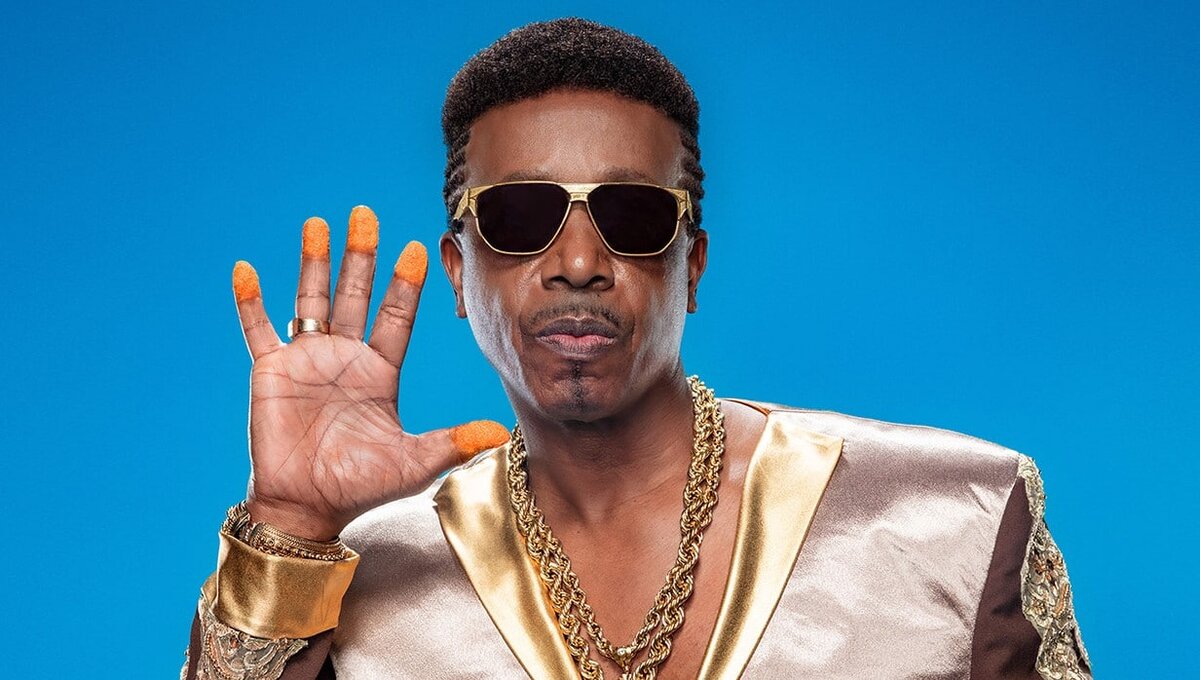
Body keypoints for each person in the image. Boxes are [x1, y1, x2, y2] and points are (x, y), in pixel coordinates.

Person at [181, 18, 1091, 680]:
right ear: (458, 273)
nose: (578, 262)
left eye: (632, 215)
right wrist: (288, 525)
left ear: (692, 264)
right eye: (520, 216)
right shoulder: (357, 575)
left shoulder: (954, 520)